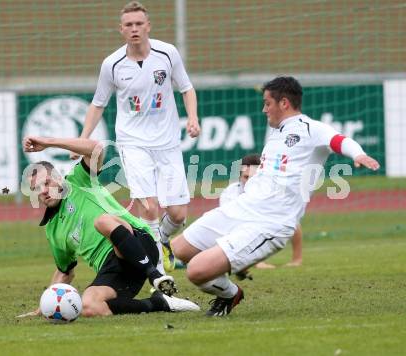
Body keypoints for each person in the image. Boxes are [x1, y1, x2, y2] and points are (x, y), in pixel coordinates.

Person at [171, 76, 380, 316]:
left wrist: (358, 155)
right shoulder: (276, 134)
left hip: (270, 223)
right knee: (178, 249)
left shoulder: (311, 128)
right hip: (242, 209)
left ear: (284, 103)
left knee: (195, 271)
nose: (263, 109)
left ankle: (230, 294)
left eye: (267, 103)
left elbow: (340, 141)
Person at [72, 1, 200, 272]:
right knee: (149, 206)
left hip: (167, 142)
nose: (134, 29)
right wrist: (83, 139)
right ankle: (160, 275)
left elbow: (187, 88)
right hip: (133, 142)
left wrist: (193, 118)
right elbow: (98, 104)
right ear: (121, 30)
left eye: (139, 24)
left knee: (178, 213)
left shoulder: (167, 54)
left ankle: (161, 240)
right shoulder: (112, 64)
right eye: (128, 25)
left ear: (148, 26)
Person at [18, 135, 200, 318]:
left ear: (58, 178)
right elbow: (64, 272)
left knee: (102, 221)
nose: (43, 191)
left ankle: (155, 276)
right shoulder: (52, 231)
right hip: (116, 270)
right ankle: (159, 303)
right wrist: (44, 306)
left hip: (139, 244)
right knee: (87, 306)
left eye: (47, 183)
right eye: (36, 189)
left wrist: (49, 143)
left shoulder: (78, 181)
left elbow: (96, 148)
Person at [220, 153, 303, 270]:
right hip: (239, 228)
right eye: (245, 177)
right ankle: (250, 261)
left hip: (268, 221)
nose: (249, 181)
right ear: (239, 176)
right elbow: (229, 226)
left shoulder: (274, 191)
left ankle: (297, 259)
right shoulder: (229, 194)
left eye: (253, 177)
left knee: (291, 220)